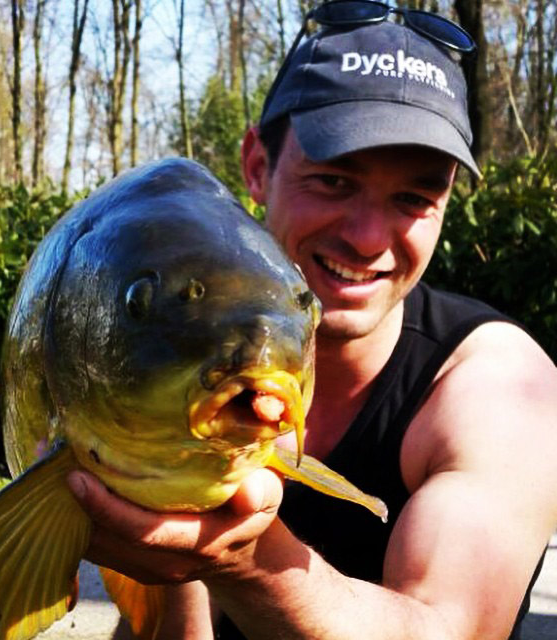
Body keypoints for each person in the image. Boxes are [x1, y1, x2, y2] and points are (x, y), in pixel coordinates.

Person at [67, 2, 557, 638]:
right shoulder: (169, 344)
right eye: (333, 181)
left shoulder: (507, 390)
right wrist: (171, 539)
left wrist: (241, 558)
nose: (368, 238)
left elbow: (445, 630)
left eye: (414, 197)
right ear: (257, 166)